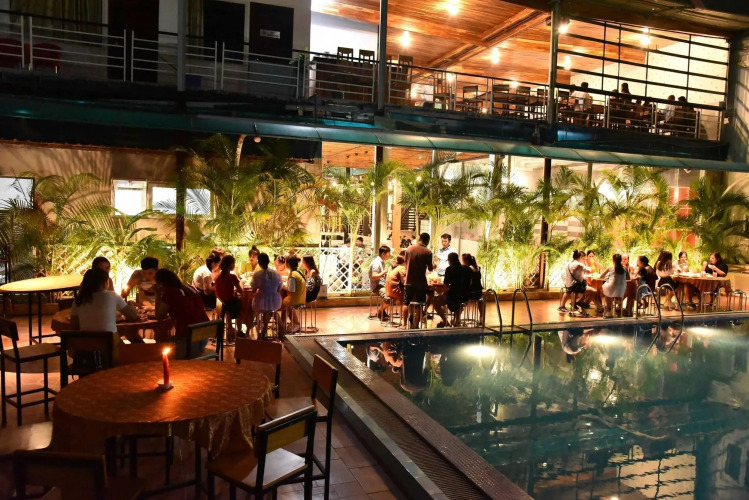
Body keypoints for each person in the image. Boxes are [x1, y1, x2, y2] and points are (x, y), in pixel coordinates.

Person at [71, 268, 139, 340]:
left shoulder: (78, 300)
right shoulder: (112, 295)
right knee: (125, 332)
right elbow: (133, 316)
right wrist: (130, 303)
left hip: (86, 342)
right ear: (105, 283)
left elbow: (75, 327)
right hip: (108, 341)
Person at [155, 269, 210, 355]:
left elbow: (159, 315)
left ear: (161, 284)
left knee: (159, 339)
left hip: (189, 344)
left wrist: (157, 294)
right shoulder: (190, 289)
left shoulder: (170, 293)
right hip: (203, 339)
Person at [403, 233, 434, 328]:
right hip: (421, 282)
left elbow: (405, 263)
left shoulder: (409, 249)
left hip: (409, 280)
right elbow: (430, 268)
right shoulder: (428, 252)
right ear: (427, 241)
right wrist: (433, 265)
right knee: (420, 304)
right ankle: (416, 325)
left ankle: (404, 325)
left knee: (406, 303)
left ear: (419, 238)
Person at [559, 249, 602, 315]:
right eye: (584, 258)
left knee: (588, 289)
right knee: (594, 291)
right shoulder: (579, 264)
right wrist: (590, 262)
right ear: (580, 257)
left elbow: (577, 274)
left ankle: (579, 303)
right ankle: (582, 303)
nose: (584, 259)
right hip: (576, 286)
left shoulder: (569, 263)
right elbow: (590, 270)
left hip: (570, 285)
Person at [250, 253, 283, 339]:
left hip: (262, 300)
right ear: (268, 261)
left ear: (259, 263)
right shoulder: (276, 274)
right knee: (272, 311)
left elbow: (253, 289)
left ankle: (263, 330)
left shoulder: (257, 274)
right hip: (275, 299)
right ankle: (282, 329)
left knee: (263, 309)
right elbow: (279, 288)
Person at [434, 253, 468, 327]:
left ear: (450, 260)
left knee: (435, 302)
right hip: (465, 296)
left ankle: (445, 321)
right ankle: (456, 321)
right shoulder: (465, 268)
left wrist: (441, 293)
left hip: (453, 296)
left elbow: (446, 286)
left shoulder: (449, 269)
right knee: (459, 303)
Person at [215, 255, 243, 340]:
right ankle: (239, 330)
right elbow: (240, 291)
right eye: (234, 264)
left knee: (232, 304)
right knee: (242, 306)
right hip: (230, 304)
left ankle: (230, 328)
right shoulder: (232, 277)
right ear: (231, 265)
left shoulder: (217, 277)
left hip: (219, 305)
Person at [281, 256, 306, 334]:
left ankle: (282, 326)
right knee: (286, 305)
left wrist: (282, 286)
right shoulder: (298, 273)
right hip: (301, 298)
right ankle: (284, 325)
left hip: (294, 298)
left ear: (288, 264)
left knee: (278, 306)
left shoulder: (292, 275)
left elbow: (291, 290)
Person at [369, 245, 392, 321]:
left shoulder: (381, 262)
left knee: (394, 293)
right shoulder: (377, 263)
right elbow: (374, 276)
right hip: (376, 286)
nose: (390, 255)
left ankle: (382, 311)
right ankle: (380, 311)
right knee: (388, 298)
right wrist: (384, 272)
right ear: (383, 254)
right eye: (388, 253)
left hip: (381, 284)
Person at [462, 253, 484, 324]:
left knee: (459, 298)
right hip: (479, 292)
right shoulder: (477, 268)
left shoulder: (468, 269)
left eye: (463, 261)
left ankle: (457, 318)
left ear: (466, 261)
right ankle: (481, 317)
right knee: (480, 300)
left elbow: (468, 282)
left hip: (471, 292)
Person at [386, 253, 407, 326]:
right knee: (411, 297)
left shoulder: (395, 267)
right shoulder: (402, 268)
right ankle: (408, 320)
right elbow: (404, 281)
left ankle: (406, 317)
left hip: (389, 290)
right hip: (395, 292)